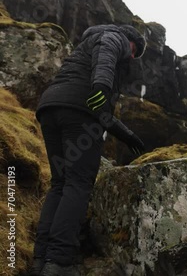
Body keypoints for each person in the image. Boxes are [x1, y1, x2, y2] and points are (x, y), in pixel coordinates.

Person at [29, 24, 147, 276]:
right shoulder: (113, 37)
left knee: (60, 183)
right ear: (132, 43)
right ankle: (60, 262)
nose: (130, 58)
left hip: (51, 107)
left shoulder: (85, 48)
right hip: (78, 114)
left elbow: (102, 111)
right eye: (133, 53)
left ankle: (40, 260)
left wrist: (127, 135)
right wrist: (103, 84)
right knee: (78, 184)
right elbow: (106, 53)